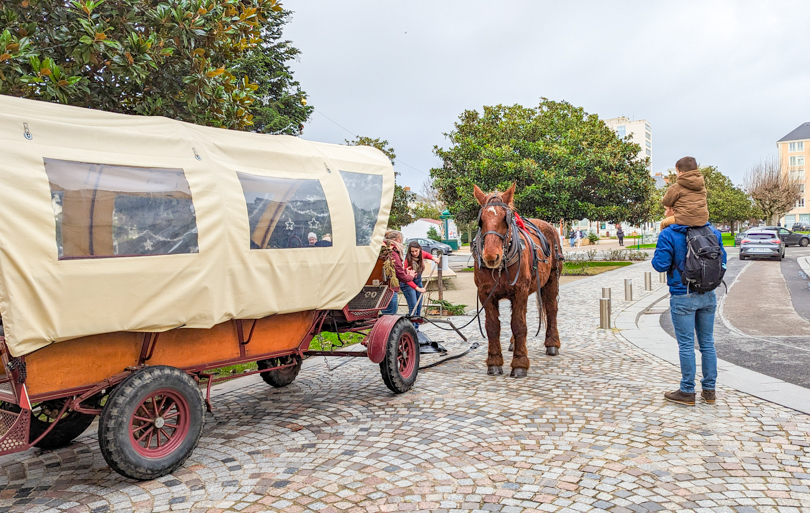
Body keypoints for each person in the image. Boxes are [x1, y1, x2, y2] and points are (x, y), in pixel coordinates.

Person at [652, 158, 727, 406]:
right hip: (708, 294)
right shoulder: (712, 232)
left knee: (686, 345)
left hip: (682, 294)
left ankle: (687, 391)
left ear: (675, 209)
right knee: (707, 343)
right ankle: (710, 391)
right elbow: (723, 262)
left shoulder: (669, 233)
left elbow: (660, 265)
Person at [660, 156, 709, 230]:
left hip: (683, 219)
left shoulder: (676, 187)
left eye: (677, 172)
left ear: (681, 173)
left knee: (663, 224)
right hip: (702, 219)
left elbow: (666, 202)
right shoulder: (701, 186)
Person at [380, 230, 416, 315]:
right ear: (397, 240)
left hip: (381, 287)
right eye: (401, 240)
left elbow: (392, 270)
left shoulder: (382, 249)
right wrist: (410, 276)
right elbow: (399, 274)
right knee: (390, 317)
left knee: (386, 315)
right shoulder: (392, 252)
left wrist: (404, 271)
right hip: (390, 289)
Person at [403, 241, 434, 329]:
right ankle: (412, 329)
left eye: (416, 251)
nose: (414, 253)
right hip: (408, 284)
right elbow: (407, 280)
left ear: (419, 249)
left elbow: (427, 255)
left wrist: (434, 259)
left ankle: (416, 329)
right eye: (412, 252)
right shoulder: (407, 261)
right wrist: (418, 289)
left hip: (418, 281)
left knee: (419, 306)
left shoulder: (421, 254)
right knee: (413, 307)